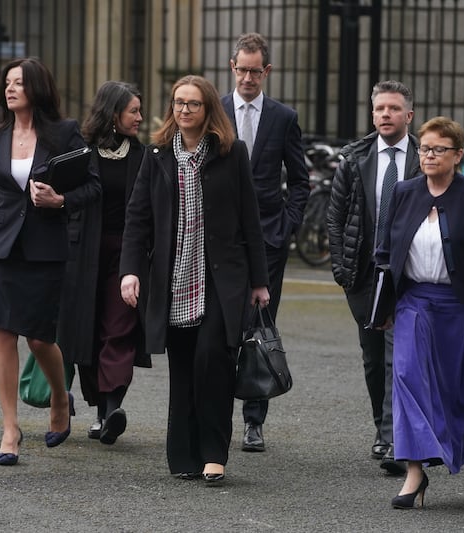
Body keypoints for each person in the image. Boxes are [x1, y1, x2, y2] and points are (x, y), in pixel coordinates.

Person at [120, 75, 269, 483]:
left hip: (222, 280)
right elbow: (138, 219)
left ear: (208, 111)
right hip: (174, 278)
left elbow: (250, 220)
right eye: (178, 103)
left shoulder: (231, 152)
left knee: (213, 361)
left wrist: (260, 281)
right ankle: (183, 456)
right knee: (184, 367)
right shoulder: (156, 155)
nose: (184, 111)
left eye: (193, 104)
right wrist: (130, 270)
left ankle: (214, 453)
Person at [0, 57, 100, 466]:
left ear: (36, 87)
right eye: (7, 83)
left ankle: (60, 396)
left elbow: (93, 186)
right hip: (1, 248)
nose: (10, 89)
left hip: (46, 248)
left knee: (39, 338)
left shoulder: (64, 133)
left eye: (18, 82)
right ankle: (10, 428)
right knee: (3, 333)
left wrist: (60, 201)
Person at [374, 116, 464, 508]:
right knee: (407, 379)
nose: (429, 155)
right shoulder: (403, 192)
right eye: (424, 148)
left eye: (438, 149)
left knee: (463, 389)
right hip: (414, 305)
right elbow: (384, 252)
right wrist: (384, 306)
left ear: (458, 155)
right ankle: (415, 474)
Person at [221, 32, 309, 453]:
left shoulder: (283, 117)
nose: (249, 77)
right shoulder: (215, 111)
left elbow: (301, 180)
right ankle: (218, 411)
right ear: (232, 68)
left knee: (260, 326)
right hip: (220, 238)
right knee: (220, 324)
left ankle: (254, 422)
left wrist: (288, 224)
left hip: (270, 238)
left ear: (267, 71)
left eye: (256, 71)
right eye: (243, 70)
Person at [326, 80, 419, 476]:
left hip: (410, 275)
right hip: (364, 273)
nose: (385, 115)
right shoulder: (354, 158)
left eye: (393, 109)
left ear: (408, 116)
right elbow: (335, 216)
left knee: (399, 357)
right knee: (372, 357)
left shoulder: (422, 156)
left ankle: (394, 436)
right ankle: (383, 428)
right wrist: (343, 271)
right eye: (379, 108)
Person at [58, 81, 149, 446]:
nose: (141, 118)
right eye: (134, 112)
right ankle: (98, 410)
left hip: (127, 253)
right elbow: (66, 198)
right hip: (83, 254)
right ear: (114, 115)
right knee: (88, 330)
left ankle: (112, 410)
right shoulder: (81, 152)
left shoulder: (145, 155)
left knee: (120, 326)